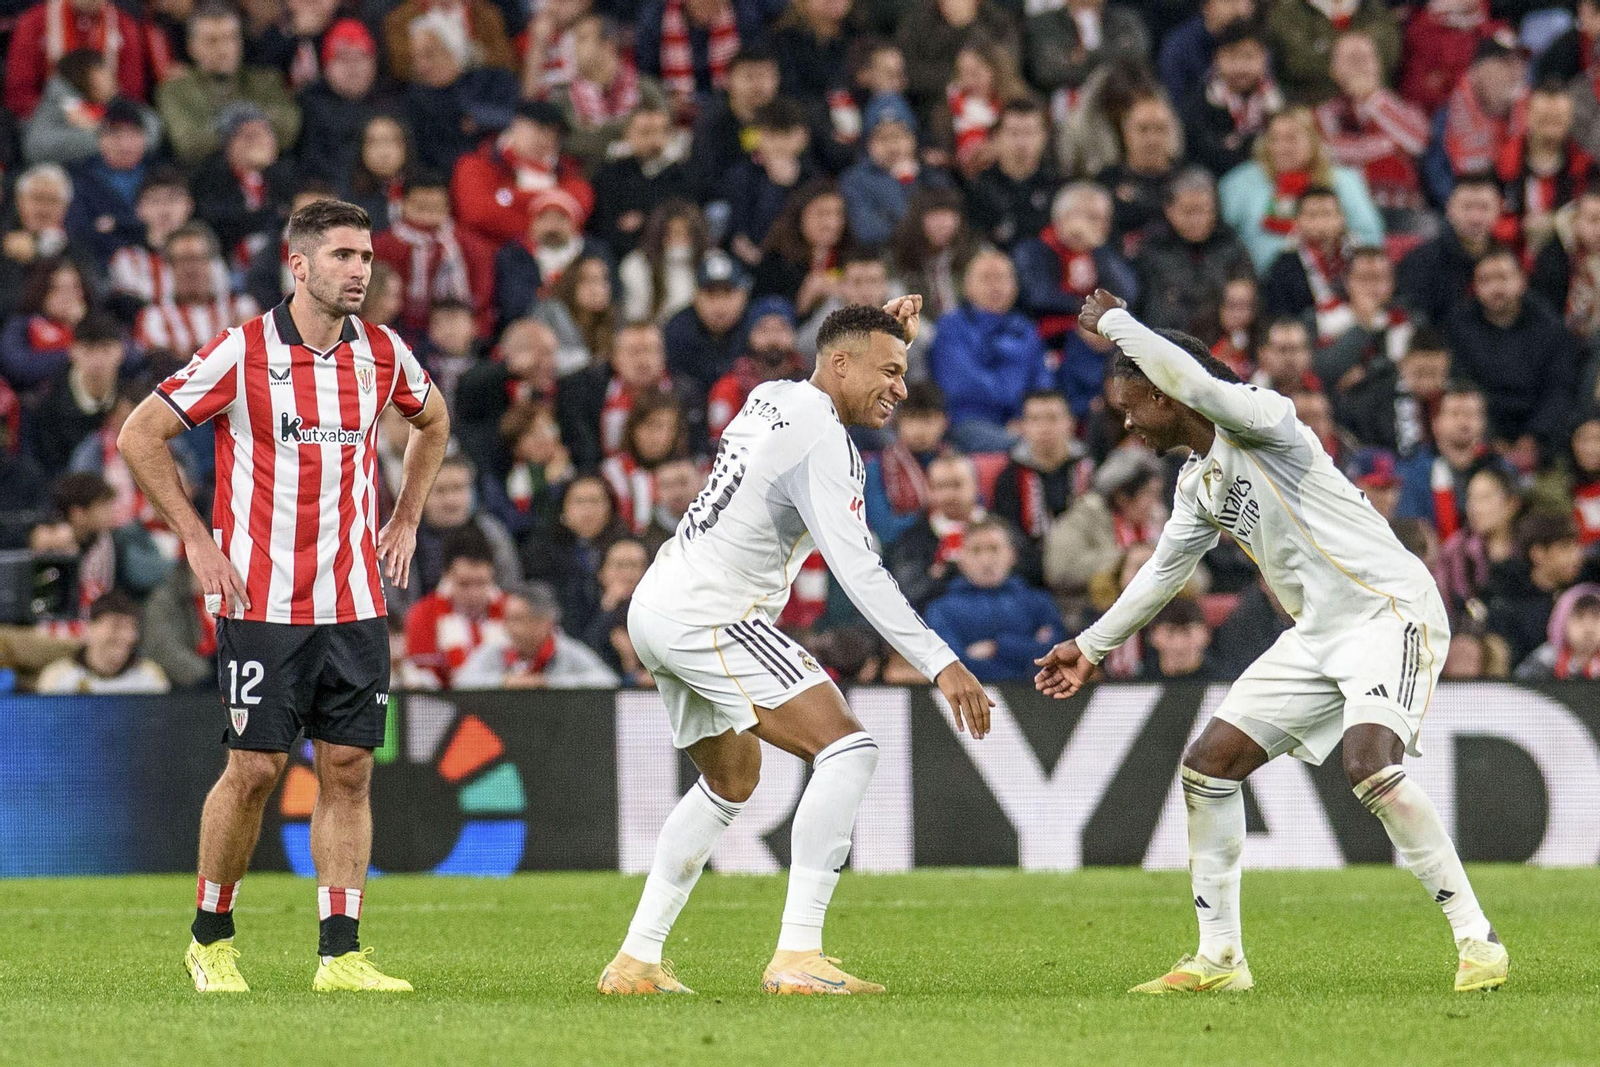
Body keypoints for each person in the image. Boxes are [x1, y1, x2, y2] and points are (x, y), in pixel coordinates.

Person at [1036, 289, 1507, 996]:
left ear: (1167, 393)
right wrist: (1092, 645)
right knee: (1208, 765)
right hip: (1317, 633)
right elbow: (1165, 570)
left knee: (1367, 762)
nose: (1127, 421)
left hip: (1388, 611)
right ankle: (1220, 958)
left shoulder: (1265, 418)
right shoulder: (1198, 483)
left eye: (1133, 403)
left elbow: (1199, 382)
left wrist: (1117, 324)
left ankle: (1478, 938)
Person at [599, 298, 991, 997]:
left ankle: (636, 960)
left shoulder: (770, 395)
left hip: (658, 604)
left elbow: (843, 341)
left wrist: (883, 327)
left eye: (904, 373)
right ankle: (798, 956)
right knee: (850, 749)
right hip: (710, 615)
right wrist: (941, 659)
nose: (899, 387)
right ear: (840, 363)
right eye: (890, 371)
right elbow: (860, 571)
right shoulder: (825, 442)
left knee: (731, 778)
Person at [117, 198, 452, 995]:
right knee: (257, 767)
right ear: (298, 267)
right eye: (342, 256)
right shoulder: (242, 352)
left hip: (356, 602)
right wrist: (197, 540)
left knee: (349, 767)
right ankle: (211, 938)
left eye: (366, 257)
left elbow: (433, 421)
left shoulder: (382, 352)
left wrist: (405, 516)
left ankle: (340, 954)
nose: (360, 271)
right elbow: (139, 433)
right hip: (263, 602)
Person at [1443, 246, 1578, 462]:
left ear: (1521, 281)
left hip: (1541, 439)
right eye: (1485, 280)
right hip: (1481, 437)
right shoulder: (1460, 327)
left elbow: (1559, 388)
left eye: (1503, 278)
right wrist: (1491, 438)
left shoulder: (1549, 326)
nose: (1496, 288)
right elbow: (1462, 384)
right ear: (1475, 286)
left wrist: (1534, 438)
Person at [1219, 105, 1384, 273]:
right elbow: (1220, 241)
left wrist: (1335, 241)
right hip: (1258, 283)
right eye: (1274, 139)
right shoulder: (1239, 183)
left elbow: (1371, 238)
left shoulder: (1344, 181)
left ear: (1313, 140)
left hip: (1334, 282)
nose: (1281, 148)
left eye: (1291, 138)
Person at [928, 248, 1050, 451]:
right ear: (967, 286)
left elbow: (1042, 383)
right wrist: (1014, 404)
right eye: (986, 278)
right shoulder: (950, 327)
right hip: (968, 422)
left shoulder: (1026, 329)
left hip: (1021, 424)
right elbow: (960, 385)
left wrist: (1026, 419)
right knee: (1027, 449)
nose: (996, 287)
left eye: (1002, 278)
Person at [156, 2, 301, 167]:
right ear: (192, 47)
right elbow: (188, 144)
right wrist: (254, 125)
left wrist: (224, 129)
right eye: (212, 41)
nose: (223, 49)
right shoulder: (176, 90)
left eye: (230, 38)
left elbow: (289, 129)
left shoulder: (266, 81)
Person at [925, 517, 1064, 682]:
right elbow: (951, 666)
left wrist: (997, 648)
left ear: (1012, 555)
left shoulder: (1039, 603)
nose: (986, 560)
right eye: (976, 551)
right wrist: (1027, 651)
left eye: (994, 549)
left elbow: (1057, 655)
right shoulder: (941, 610)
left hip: (1038, 700)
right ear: (961, 559)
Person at [1014, 182, 1138, 351]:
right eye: (1093, 218)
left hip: (1099, 343)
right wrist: (1089, 315)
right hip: (1046, 343)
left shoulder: (1103, 253)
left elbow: (1127, 293)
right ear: (1064, 217)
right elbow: (1039, 297)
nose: (1102, 226)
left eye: (1105, 219)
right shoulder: (1033, 250)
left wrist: (1099, 248)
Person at [1132, 167, 1253, 335]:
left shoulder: (1231, 247)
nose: (1198, 220)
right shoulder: (1153, 250)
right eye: (1188, 212)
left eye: (1205, 211)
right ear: (1169, 210)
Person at [454, 580, 619, 687]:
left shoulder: (567, 651)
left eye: (517, 619)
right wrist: (505, 682)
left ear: (544, 623)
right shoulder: (495, 650)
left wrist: (547, 684)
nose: (508, 627)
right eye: (507, 619)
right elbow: (461, 682)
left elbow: (608, 682)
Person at [403, 529, 507, 689]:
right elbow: (420, 680)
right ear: (446, 577)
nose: (474, 593)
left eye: (482, 583)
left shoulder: (511, 611)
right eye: (464, 584)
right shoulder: (423, 615)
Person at [1395, 171, 1501, 326]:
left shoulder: (1508, 260)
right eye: (1467, 207)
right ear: (1450, 209)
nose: (1476, 218)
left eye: (1484, 207)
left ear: (1498, 209)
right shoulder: (1420, 262)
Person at [136, 224, 261, 355]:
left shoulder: (241, 307)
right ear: (170, 267)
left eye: (198, 259)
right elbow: (162, 364)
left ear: (213, 263)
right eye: (182, 261)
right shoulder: (154, 317)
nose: (191, 269)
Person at [965, 97, 1059, 251]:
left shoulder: (1058, 188)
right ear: (997, 136)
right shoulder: (977, 189)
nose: (1022, 142)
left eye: (1030, 133)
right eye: (1013, 133)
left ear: (1044, 137)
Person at [35, 590, 170, 694]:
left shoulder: (149, 678)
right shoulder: (58, 678)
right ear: (90, 628)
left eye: (132, 628)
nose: (128, 636)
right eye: (116, 626)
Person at [1513, 585, 1600, 678]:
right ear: (1561, 622)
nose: (1589, 628)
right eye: (1580, 618)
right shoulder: (1546, 659)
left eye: (1596, 618)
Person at [1144, 597, 1224, 680]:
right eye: (1170, 633)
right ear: (1152, 636)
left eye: (1187, 633)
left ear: (1206, 634)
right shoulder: (1137, 686)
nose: (1179, 643)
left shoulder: (1228, 686)